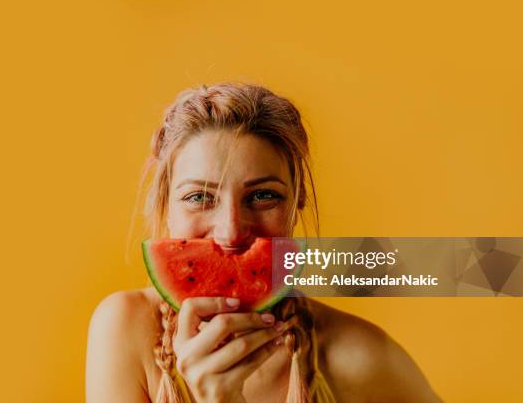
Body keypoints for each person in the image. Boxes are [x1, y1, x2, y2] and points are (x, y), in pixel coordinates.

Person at [86, 82, 443, 402]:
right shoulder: (125, 330)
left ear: (296, 202)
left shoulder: (358, 356)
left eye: (262, 196)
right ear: (165, 206)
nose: (230, 233)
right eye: (198, 197)